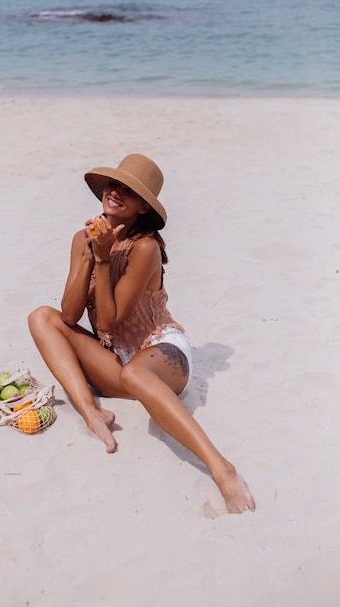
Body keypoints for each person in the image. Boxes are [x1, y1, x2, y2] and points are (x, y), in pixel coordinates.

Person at [28, 153, 255, 514]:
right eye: (113, 184)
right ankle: (92, 414)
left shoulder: (145, 247)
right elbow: (70, 316)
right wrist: (89, 255)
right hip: (115, 357)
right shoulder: (82, 238)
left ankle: (221, 468)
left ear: (143, 208)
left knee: (136, 372)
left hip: (161, 351)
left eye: (128, 192)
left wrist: (103, 260)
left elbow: (108, 321)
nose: (115, 193)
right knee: (42, 316)